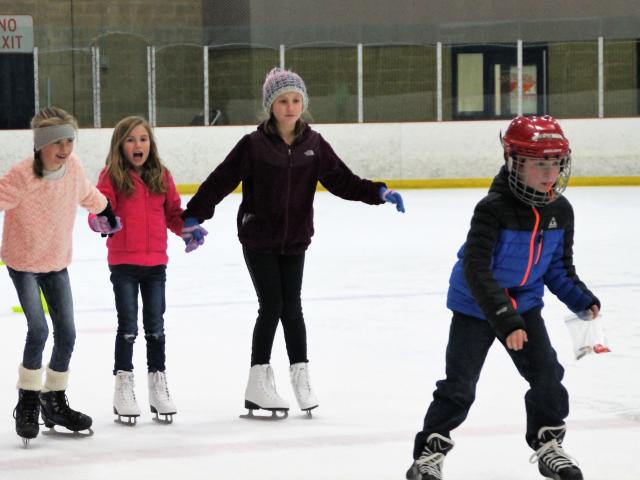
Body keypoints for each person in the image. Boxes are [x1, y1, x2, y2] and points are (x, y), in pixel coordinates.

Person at [180, 67, 405, 417]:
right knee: (271, 305)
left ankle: (301, 374)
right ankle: (258, 381)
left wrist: (378, 191)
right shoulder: (253, 145)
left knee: (293, 307)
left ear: (304, 104)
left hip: (296, 238)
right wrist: (194, 214)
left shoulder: (314, 145)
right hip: (258, 237)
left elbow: (343, 181)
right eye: (283, 101)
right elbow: (220, 180)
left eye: (296, 100)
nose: (290, 107)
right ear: (270, 105)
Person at [406, 115, 600, 480]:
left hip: (524, 306)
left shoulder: (560, 211)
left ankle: (548, 445)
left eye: (555, 163)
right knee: (459, 385)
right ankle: (429, 453)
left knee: (547, 377)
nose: (549, 173)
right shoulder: (492, 209)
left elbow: (558, 268)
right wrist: (504, 317)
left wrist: (581, 299)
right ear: (515, 162)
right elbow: (476, 270)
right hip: (477, 306)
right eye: (539, 164)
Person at [0, 107, 118, 445]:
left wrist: (106, 211)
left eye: (69, 140)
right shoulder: (22, 176)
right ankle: (27, 401)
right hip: (23, 263)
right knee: (38, 329)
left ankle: (53, 401)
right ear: (40, 146)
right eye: (57, 142)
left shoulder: (74, 168)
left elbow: (87, 195)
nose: (64, 148)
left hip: (55, 262)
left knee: (66, 333)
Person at [89, 116, 203, 425]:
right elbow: (102, 208)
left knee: (156, 328)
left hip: (156, 265)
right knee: (128, 328)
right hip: (124, 263)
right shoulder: (111, 176)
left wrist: (188, 229)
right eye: (130, 139)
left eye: (143, 139)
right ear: (120, 145)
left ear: (150, 144)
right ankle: (123, 387)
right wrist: (100, 221)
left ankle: (157, 384)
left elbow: (174, 214)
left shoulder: (161, 176)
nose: (137, 145)